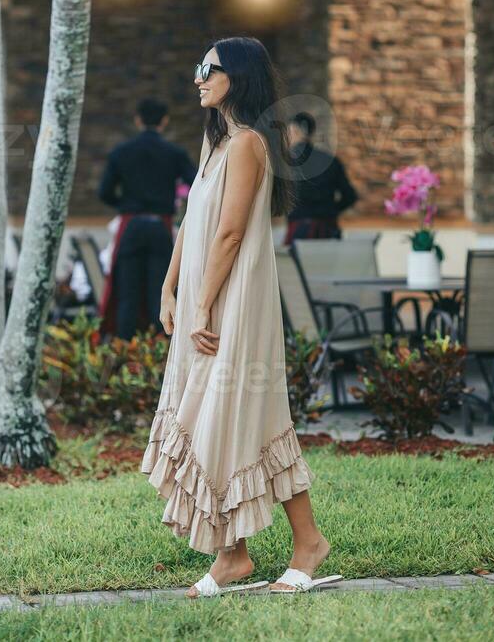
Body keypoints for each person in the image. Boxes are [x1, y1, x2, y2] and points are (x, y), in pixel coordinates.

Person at [141, 37, 341, 598]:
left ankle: (307, 544)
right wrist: (169, 286)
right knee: (216, 418)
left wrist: (202, 302)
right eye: (198, 67)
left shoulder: (251, 144)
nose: (198, 78)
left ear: (240, 77)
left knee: (245, 414)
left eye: (209, 69)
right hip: (204, 298)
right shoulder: (217, 144)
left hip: (234, 302)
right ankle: (234, 556)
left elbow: (230, 234)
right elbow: (192, 225)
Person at [98, 98, 197, 340]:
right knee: (159, 290)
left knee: (127, 292)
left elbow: (104, 192)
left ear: (138, 120)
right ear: (164, 121)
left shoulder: (121, 152)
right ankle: (159, 349)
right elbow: (197, 184)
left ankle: (124, 348)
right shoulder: (174, 154)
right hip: (160, 227)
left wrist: (126, 206)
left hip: (131, 226)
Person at [284, 111, 358, 244]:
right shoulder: (330, 161)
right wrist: (329, 210)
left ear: (294, 131)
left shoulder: (285, 163)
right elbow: (350, 196)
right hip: (327, 229)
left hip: (298, 230)